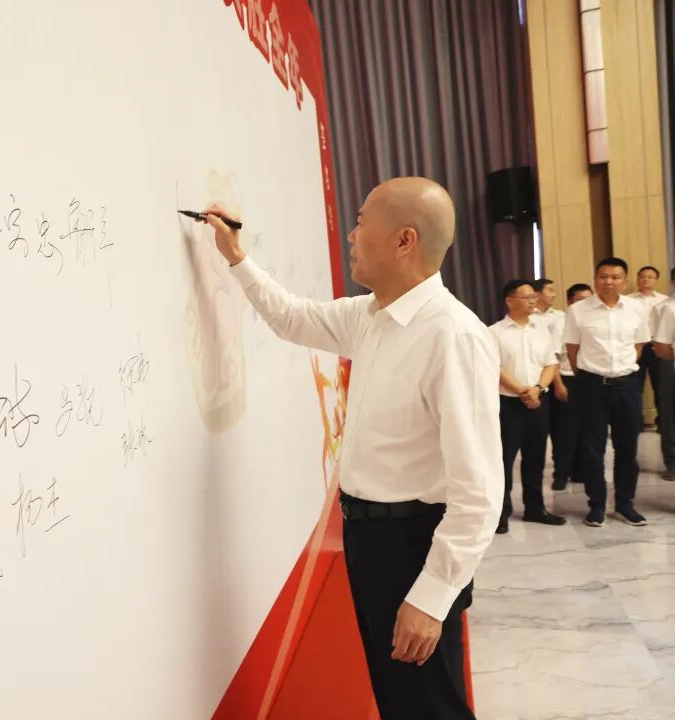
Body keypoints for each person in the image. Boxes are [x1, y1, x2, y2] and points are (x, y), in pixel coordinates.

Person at [201, 177, 501, 720]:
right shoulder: (371, 316)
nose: (351, 236)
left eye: (361, 223)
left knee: (430, 705)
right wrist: (236, 257)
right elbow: (292, 318)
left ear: (404, 240)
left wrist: (431, 596)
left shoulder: (452, 336)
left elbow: (479, 492)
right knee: (397, 698)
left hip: (414, 545)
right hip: (370, 539)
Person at [563, 258, 650, 527]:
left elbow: (638, 346)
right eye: (603, 276)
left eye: (615, 277)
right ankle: (597, 505)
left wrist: (621, 371)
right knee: (592, 449)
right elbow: (573, 350)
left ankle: (625, 504)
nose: (608, 281)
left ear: (624, 281)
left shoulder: (636, 309)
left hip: (627, 386)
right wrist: (591, 375)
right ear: (595, 279)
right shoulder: (578, 311)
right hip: (591, 386)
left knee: (627, 447)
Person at [489, 280, 565, 533]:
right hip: (508, 404)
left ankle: (535, 508)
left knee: (535, 457)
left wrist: (538, 389)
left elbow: (550, 363)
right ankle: (500, 513)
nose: (534, 300)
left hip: (538, 401)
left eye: (534, 296)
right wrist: (522, 391)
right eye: (527, 297)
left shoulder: (541, 329)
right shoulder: (494, 332)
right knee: (504, 460)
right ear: (510, 301)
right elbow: (495, 367)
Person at [550, 283, 594, 489]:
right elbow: (552, 357)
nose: (586, 303)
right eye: (581, 299)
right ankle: (561, 474)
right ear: (569, 301)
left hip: (590, 379)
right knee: (565, 431)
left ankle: (581, 472)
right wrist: (559, 385)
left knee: (588, 428)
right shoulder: (560, 322)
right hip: (567, 379)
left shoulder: (594, 320)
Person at [629, 266, 667, 417]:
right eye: (642, 276)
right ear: (637, 279)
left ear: (656, 280)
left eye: (650, 277)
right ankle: (636, 422)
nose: (646, 279)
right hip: (635, 346)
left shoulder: (664, 300)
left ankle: (663, 422)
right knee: (634, 386)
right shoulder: (628, 300)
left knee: (661, 386)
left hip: (656, 346)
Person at [649, 287, 675, 481]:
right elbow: (661, 346)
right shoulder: (669, 308)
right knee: (670, 415)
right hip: (670, 364)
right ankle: (672, 463)